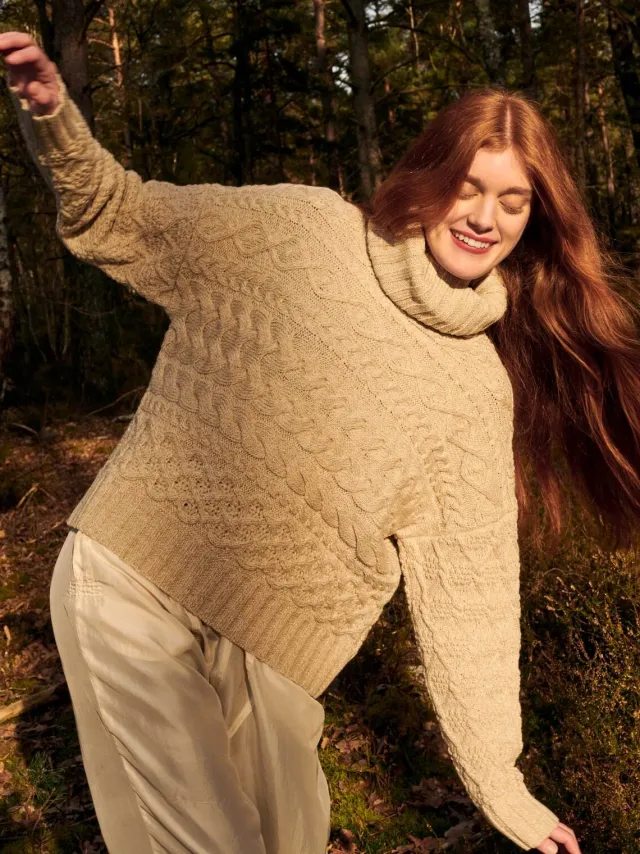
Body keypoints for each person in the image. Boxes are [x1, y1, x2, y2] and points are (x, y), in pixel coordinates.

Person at [7, 27, 640, 854]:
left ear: (535, 219)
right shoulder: (298, 231)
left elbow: (471, 596)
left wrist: (500, 782)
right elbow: (118, 217)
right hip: (137, 578)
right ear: (429, 177)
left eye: (512, 201)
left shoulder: (477, 391)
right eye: (468, 188)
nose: (485, 218)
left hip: (278, 656)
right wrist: (54, 117)